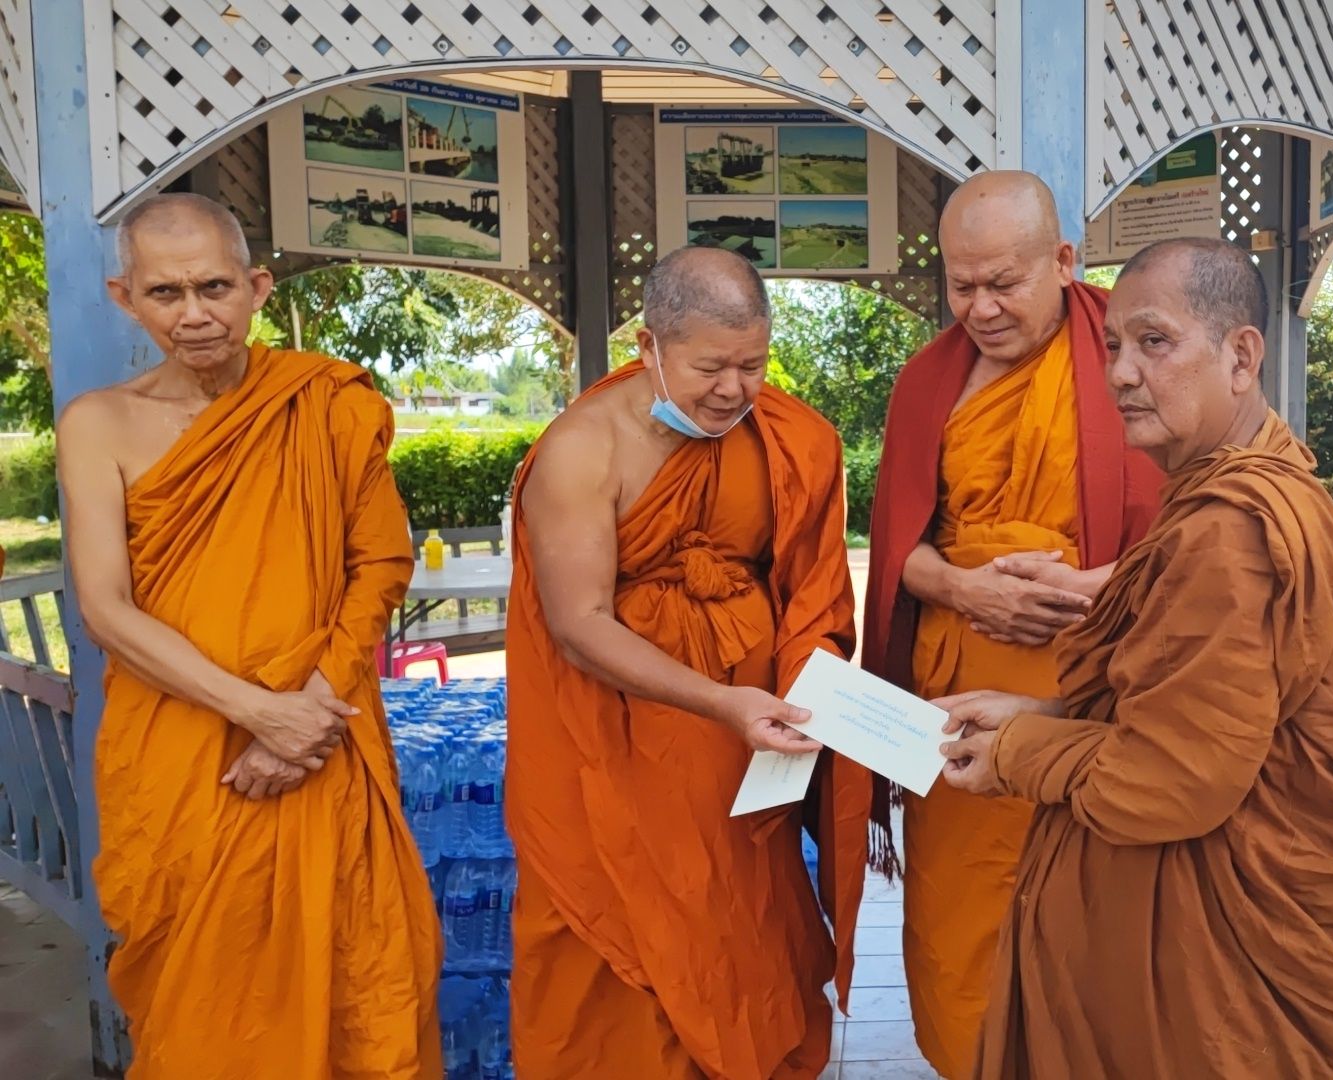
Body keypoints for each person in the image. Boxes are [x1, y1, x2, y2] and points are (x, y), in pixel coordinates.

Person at [938, 237, 1333, 1078]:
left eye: (1155, 342)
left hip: (1215, 965)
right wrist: (1044, 711)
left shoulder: (1231, 528)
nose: (1121, 373)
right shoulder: (1243, 486)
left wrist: (1016, 752)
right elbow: (1200, 705)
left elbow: (1171, 781)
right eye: (1113, 345)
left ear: (1241, 357)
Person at [57, 193, 441, 1077]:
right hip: (184, 749)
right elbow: (107, 608)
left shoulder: (324, 402)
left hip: (321, 736)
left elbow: (380, 564)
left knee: (356, 979)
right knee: (203, 998)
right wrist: (259, 714)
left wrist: (306, 713)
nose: (194, 314)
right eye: (165, 293)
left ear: (257, 286)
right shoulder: (98, 424)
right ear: (125, 297)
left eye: (215, 287)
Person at [504, 245, 873, 1079]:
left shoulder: (787, 439)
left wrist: (813, 684)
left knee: (742, 923)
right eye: (711, 367)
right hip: (615, 742)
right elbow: (578, 624)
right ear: (649, 347)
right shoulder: (582, 449)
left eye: (754, 365)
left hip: (745, 749)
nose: (735, 390)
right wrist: (720, 703)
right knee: (623, 941)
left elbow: (812, 593)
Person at [862, 171, 1162, 1075]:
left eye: (1004, 282)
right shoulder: (929, 382)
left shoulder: (1134, 358)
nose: (981, 308)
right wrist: (967, 590)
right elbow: (897, 547)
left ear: (1063, 261)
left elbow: (1204, 528)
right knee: (964, 924)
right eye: (962, 285)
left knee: (1089, 922)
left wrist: (1098, 584)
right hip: (957, 702)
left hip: (1097, 698)